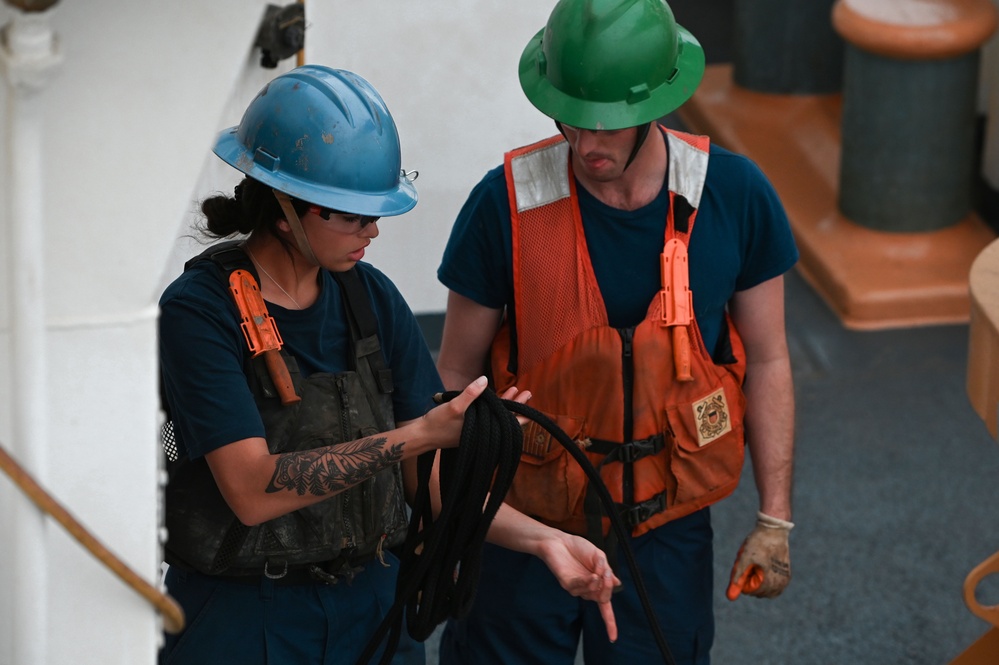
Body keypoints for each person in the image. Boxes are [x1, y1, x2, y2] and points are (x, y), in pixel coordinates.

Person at [157, 65, 618, 665]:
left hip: (372, 606)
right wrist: (423, 433)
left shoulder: (370, 299)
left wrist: (548, 541)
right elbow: (251, 489)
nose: (372, 231)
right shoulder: (200, 312)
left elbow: (429, 484)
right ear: (284, 207)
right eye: (351, 215)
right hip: (245, 616)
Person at [434, 1, 799, 664]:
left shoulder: (735, 196)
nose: (584, 143)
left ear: (655, 107)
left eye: (607, 126)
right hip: (526, 521)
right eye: (568, 117)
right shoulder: (502, 206)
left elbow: (770, 359)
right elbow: (453, 376)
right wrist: (457, 508)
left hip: (663, 526)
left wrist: (773, 519)